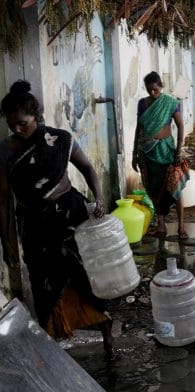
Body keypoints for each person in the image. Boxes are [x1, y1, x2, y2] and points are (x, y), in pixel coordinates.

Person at [0, 80, 114, 355]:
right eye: (11, 124)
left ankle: (108, 337)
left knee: (84, 279)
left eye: (23, 123)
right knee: (44, 285)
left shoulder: (60, 139)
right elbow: (3, 201)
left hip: (69, 220)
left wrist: (99, 198)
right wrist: (8, 245)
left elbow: (87, 167)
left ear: (36, 117)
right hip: (35, 227)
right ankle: (55, 349)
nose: (17, 129)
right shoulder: (5, 151)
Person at [132, 71, 189, 240]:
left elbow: (180, 126)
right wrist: (134, 153)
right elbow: (138, 128)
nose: (152, 93)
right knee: (153, 188)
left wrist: (178, 151)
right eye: (149, 90)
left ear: (161, 87)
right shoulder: (142, 104)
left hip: (166, 151)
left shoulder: (170, 102)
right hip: (147, 153)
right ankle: (161, 225)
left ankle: (181, 226)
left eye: (155, 89)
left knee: (176, 187)